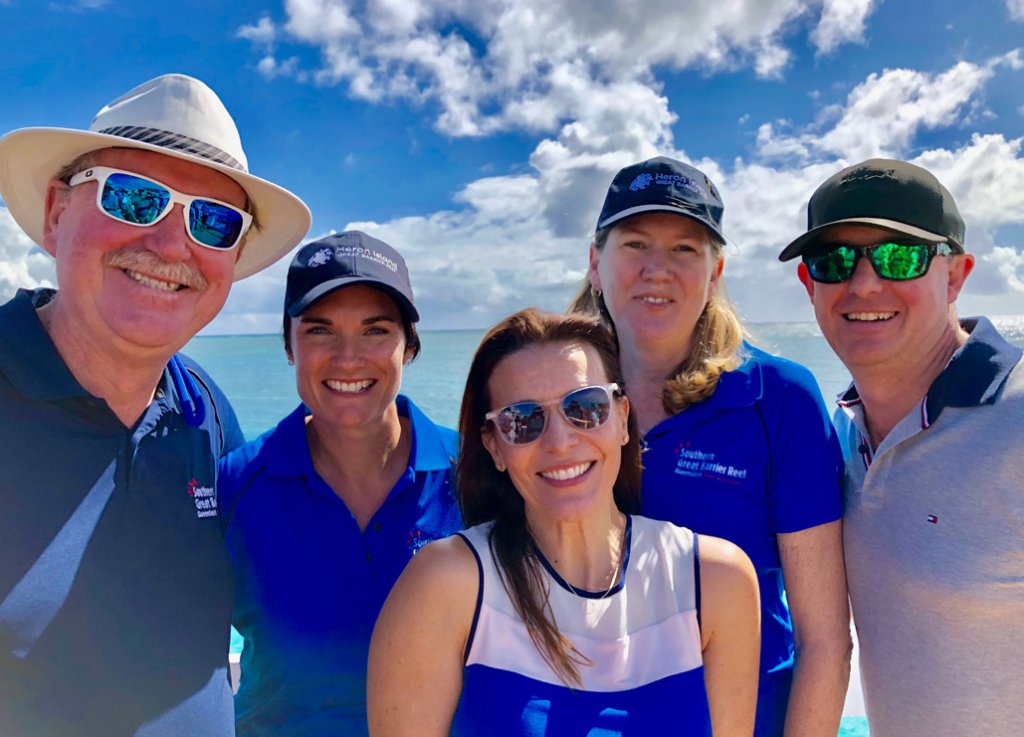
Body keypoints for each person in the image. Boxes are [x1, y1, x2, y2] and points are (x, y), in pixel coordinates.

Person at [0, 74, 310, 736]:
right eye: (134, 198)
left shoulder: (205, 414)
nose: (172, 245)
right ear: (57, 213)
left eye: (214, 219)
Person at [368, 308, 760, 737]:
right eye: (523, 421)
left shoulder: (717, 580)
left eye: (586, 407)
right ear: (494, 447)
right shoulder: (445, 585)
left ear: (623, 418)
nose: (560, 442)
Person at [571, 156, 851, 737]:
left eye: (685, 250)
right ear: (596, 264)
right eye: (635, 245)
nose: (657, 270)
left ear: (715, 269)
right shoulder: (554, 399)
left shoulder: (777, 397)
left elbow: (824, 640)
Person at [780, 158, 1024, 737]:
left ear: (956, 275)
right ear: (809, 284)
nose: (864, 283)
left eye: (900, 255)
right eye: (835, 261)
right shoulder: (835, 435)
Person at [218, 231, 462, 736]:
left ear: (408, 347)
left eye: (375, 331)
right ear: (288, 345)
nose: (348, 358)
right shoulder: (236, 487)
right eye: (320, 331)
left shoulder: (478, 475)